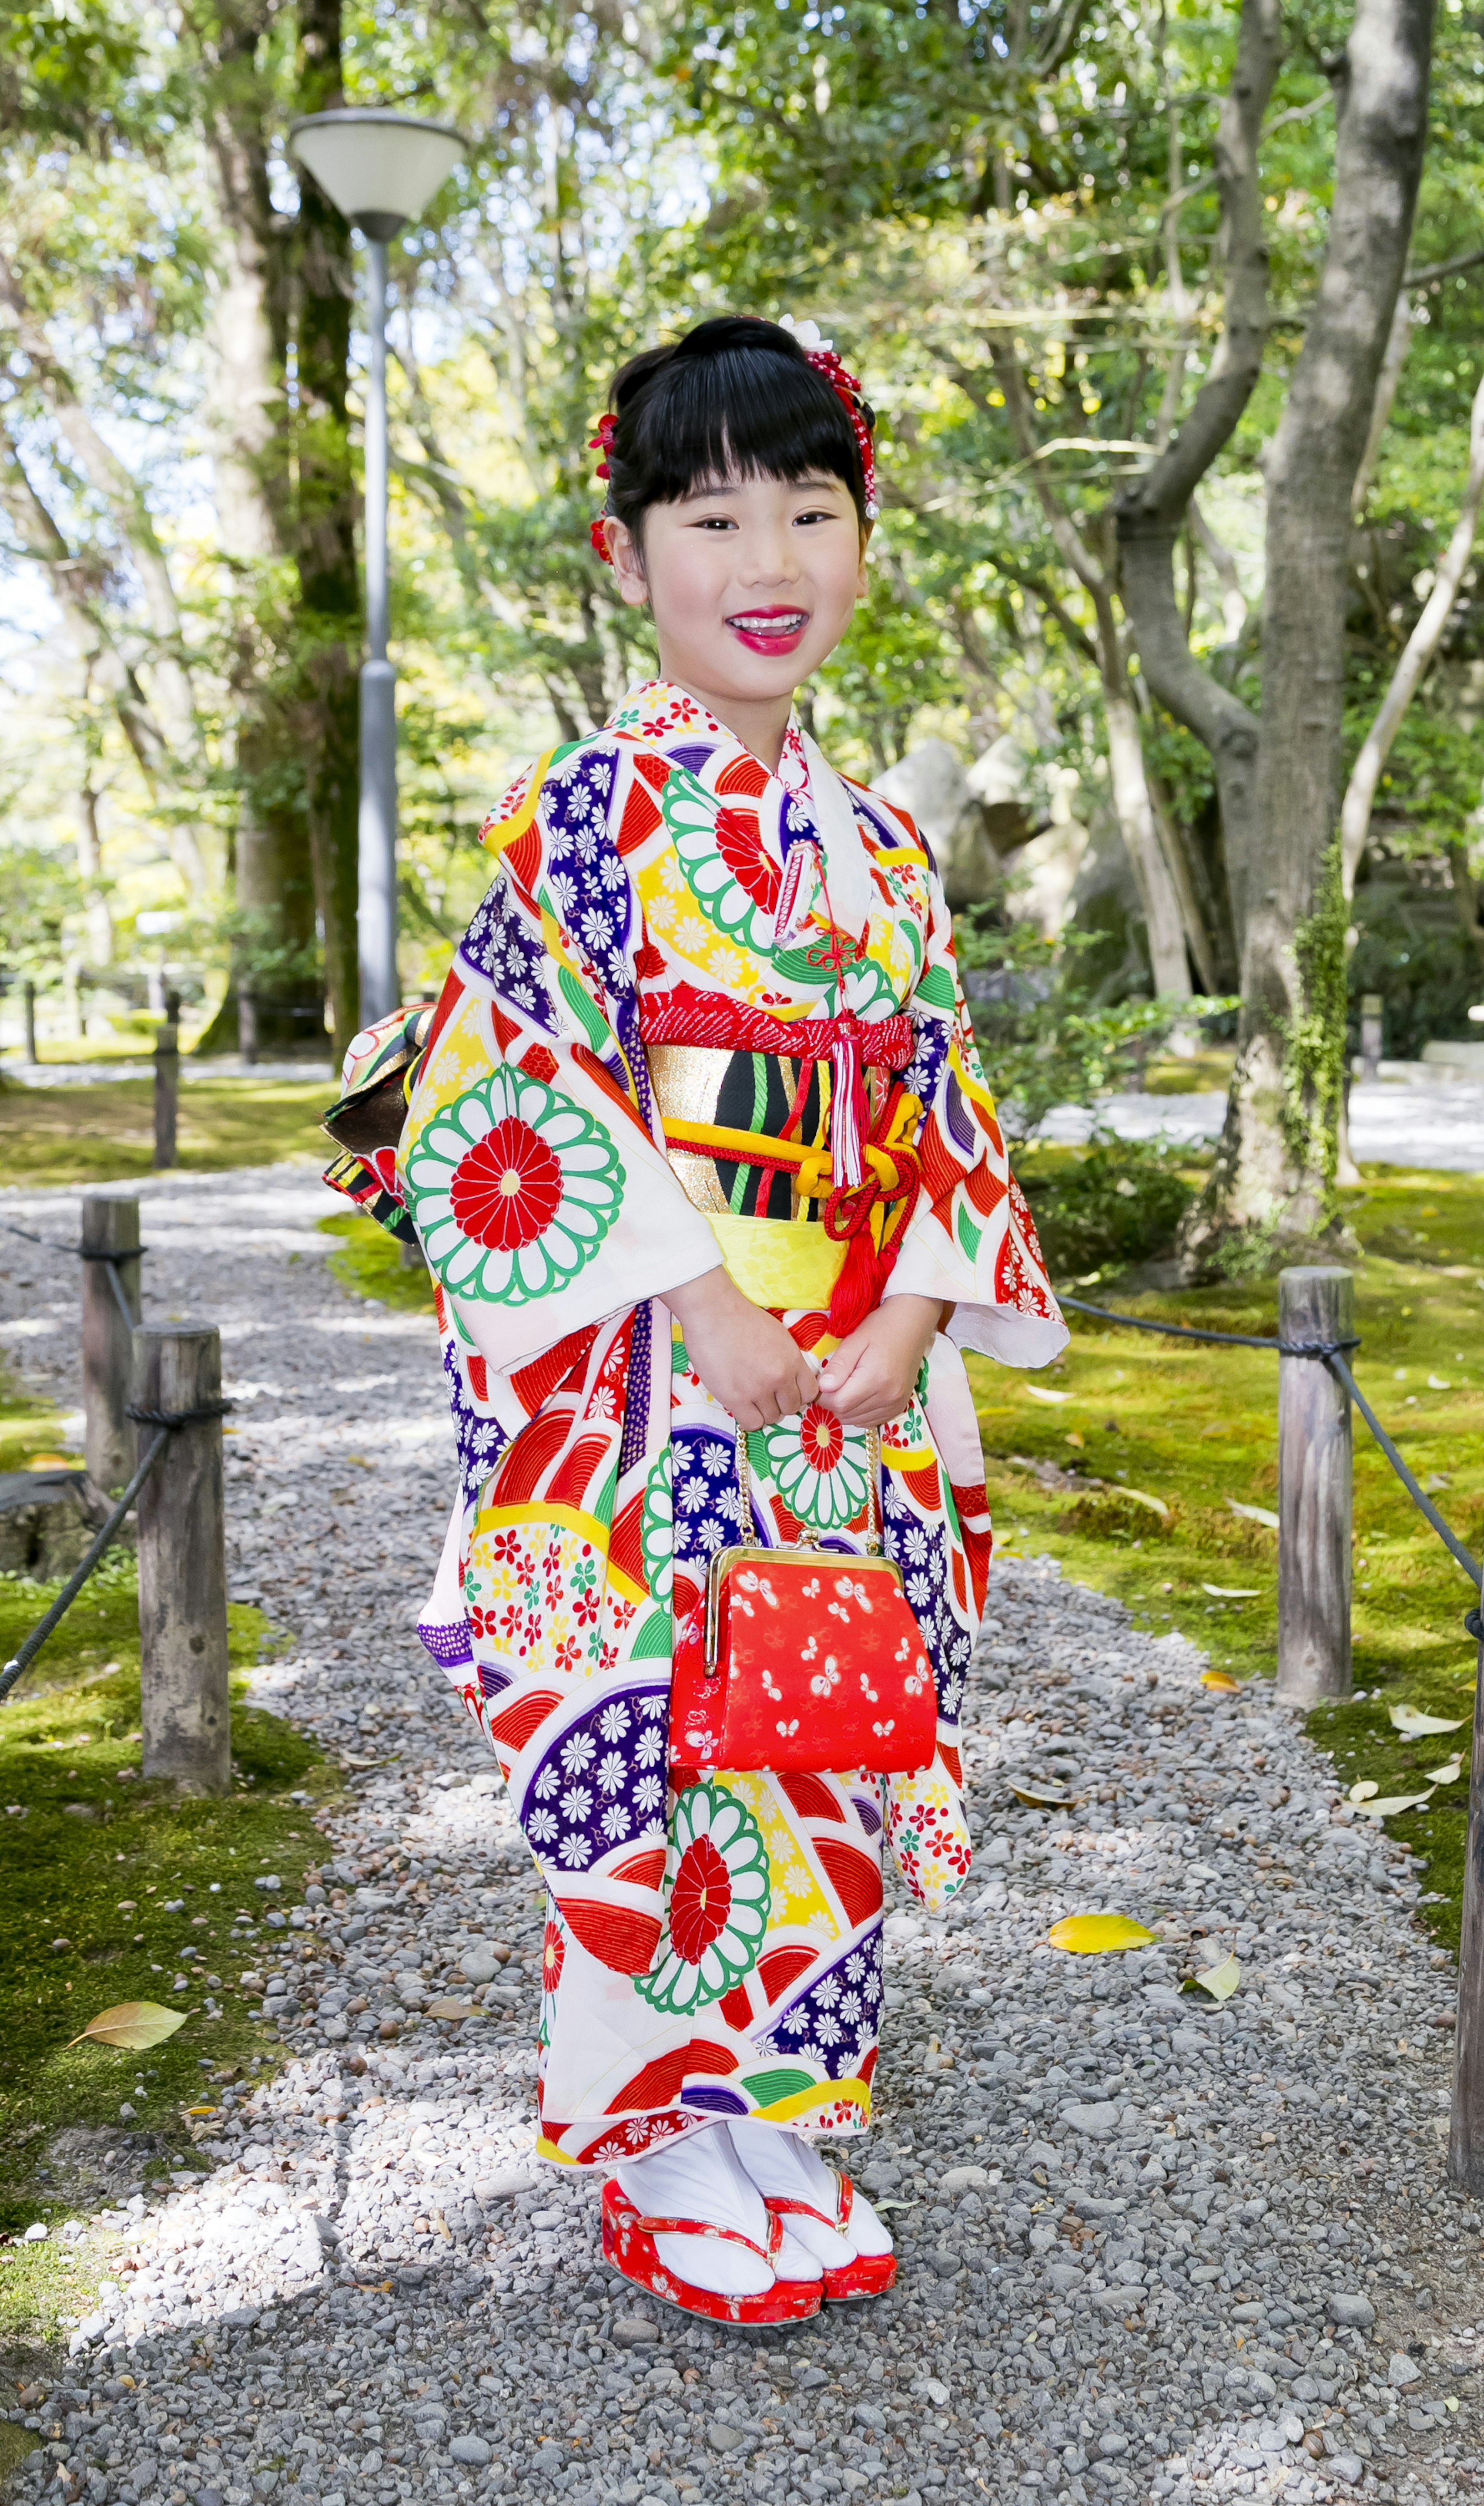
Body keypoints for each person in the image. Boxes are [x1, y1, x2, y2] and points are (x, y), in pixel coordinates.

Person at [356, 314, 1065, 2326]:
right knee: (660, 1746)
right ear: (627, 554)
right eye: (712, 512)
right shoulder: (577, 819)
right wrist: (694, 1298)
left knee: (822, 1739)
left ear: (863, 537)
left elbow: (945, 1103)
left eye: (811, 508)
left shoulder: (893, 856)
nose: (768, 558)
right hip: (654, 1385)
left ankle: (783, 2126)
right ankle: (659, 2147)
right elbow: (504, 1090)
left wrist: (917, 1317)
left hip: (848, 1394)